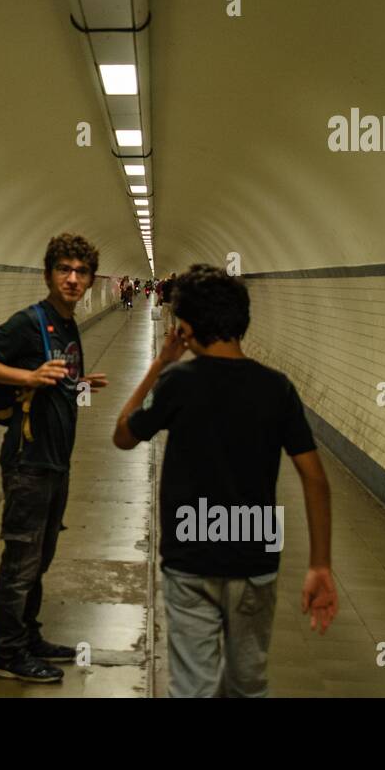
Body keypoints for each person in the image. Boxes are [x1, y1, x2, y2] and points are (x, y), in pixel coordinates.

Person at [112, 264, 337, 697]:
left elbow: (123, 435)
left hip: (189, 557)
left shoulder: (178, 381)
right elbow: (315, 479)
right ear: (242, 322)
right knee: (247, 684)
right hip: (256, 559)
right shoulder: (278, 388)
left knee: (193, 687)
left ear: (186, 328)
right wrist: (320, 565)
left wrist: (160, 363)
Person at [0, 233, 109, 682]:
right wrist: (26, 373)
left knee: (41, 555)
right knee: (22, 559)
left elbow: (53, 380)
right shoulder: (30, 322)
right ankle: (7, 654)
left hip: (56, 461)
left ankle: (28, 634)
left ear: (90, 280)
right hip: (28, 461)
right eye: (63, 270)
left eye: (80, 272)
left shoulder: (67, 324)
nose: (72, 279)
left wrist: (78, 384)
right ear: (48, 274)